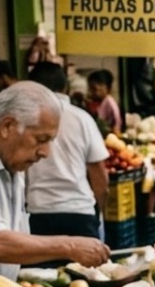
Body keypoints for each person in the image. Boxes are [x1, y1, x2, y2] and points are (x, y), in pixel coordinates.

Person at [0, 81, 110, 287]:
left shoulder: (9, 159)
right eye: (41, 139)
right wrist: (69, 245)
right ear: (8, 126)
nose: (46, 153)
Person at [25, 62, 109, 238]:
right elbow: (100, 177)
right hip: (79, 214)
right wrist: (97, 214)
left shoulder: (24, 121)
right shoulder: (82, 119)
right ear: (66, 87)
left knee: (39, 267)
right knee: (85, 267)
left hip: (38, 214)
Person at [87, 69, 123, 136]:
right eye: (90, 89)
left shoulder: (110, 103)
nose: (91, 93)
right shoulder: (98, 102)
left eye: (94, 89)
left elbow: (117, 123)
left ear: (107, 88)